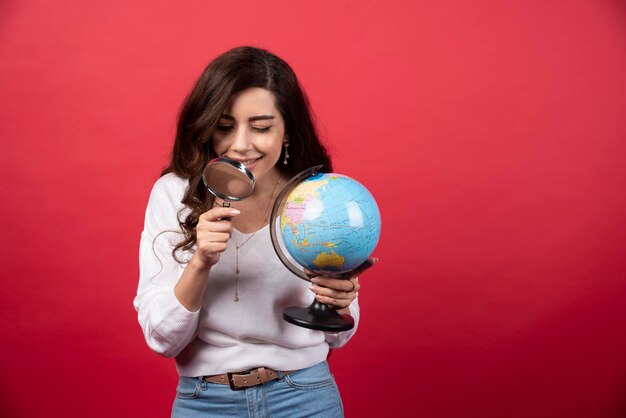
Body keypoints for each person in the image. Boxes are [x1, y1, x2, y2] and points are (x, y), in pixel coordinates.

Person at [134, 46, 376, 418]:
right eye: (225, 126)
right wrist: (200, 261)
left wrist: (340, 302)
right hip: (205, 401)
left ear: (288, 131)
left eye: (261, 127)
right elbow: (162, 339)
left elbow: (337, 335)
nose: (240, 145)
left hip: (305, 396)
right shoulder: (174, 193)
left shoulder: (313, 198)